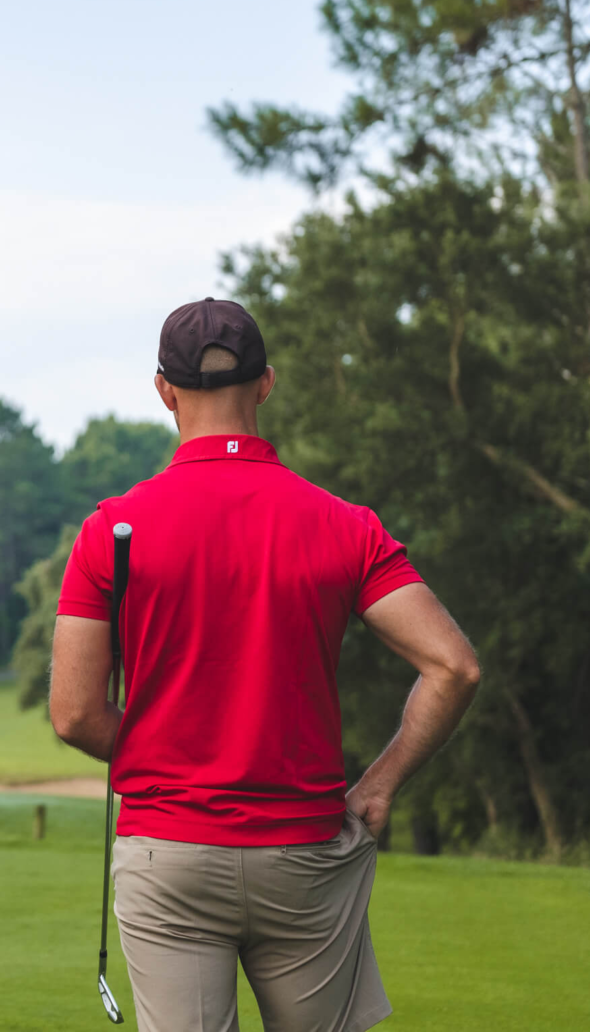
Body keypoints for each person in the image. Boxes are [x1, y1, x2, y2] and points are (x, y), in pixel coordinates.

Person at [49, 298, 480, 1032]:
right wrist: (380, 783)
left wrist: (171, 752)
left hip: (171, 852)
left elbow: (75, 714)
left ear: (164, 390)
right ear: (267, 383)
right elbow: (454, 666)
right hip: (305, 855)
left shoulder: (110, 532)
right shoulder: (345, 525)